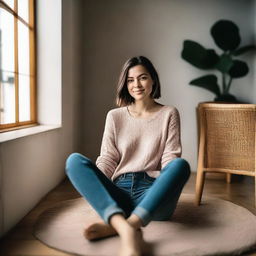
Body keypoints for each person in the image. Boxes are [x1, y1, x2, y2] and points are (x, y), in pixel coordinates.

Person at [65, 56, 191, 256]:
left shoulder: (169, 113)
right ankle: (124, 227)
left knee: (180, 165)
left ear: (153, 80)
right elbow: (108, 158)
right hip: (119, 190)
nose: (136, 84)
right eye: (131, 80)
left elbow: (170, 158)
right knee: (74, 161)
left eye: (142, 78)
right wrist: (98, 187)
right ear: (125, 84)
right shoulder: (114, 116)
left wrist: (164, 184)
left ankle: (127, 225)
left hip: (152, 193)